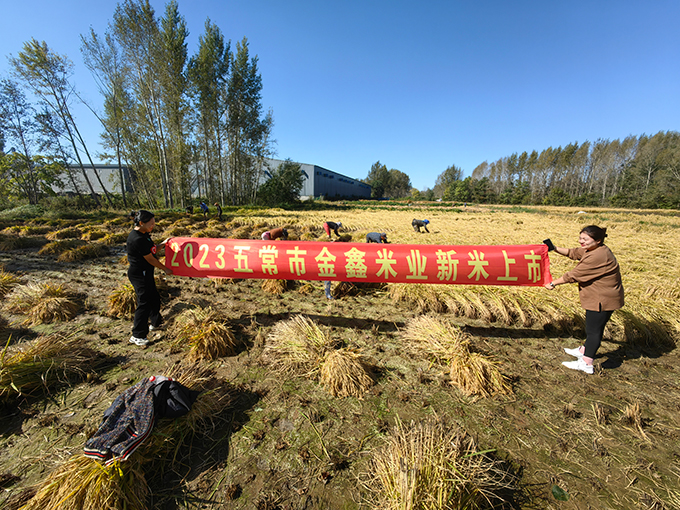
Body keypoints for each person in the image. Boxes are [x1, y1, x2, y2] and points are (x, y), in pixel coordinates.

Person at [544, 225, 624, 375]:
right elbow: (574, 253)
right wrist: (554, 248)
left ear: (598, 241)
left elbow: (574, 275)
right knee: (594, 328)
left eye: (585, 239)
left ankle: (586, 363)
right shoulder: (593, 249)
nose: (581, 241)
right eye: (580, 238)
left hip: (602, 300)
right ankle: (584, 350)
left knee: (594, 331)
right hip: (602, 296)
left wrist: (553, 283)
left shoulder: (598, 256)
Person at [126, 210, 173, 347]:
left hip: (146, 273)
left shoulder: (144, 234)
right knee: (144, 302)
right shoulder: (137, 239)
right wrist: (165, 268)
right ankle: (137, 335)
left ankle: (155, 323)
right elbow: (151, 259)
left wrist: (163, 244)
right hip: (139, 274)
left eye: (154, 223)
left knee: (154, 297)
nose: (153, 226)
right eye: (151, 224)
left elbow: (152, 250)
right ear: (141, 223)